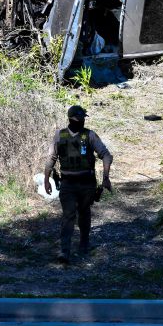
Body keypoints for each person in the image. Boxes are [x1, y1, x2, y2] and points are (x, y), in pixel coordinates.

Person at [44, 105, 113, 263]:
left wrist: (106, 177)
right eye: (78, 120)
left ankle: (84, 243)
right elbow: (51, 158)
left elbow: (106, 155)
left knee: (84, 213)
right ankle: (64, 250)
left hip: (87, 183)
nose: (80, 122)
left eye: (82, 120)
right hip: (68, 183)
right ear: (70, 120)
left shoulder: (90, 135)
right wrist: (47, 179)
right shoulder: (59, 136)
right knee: (68, 215)